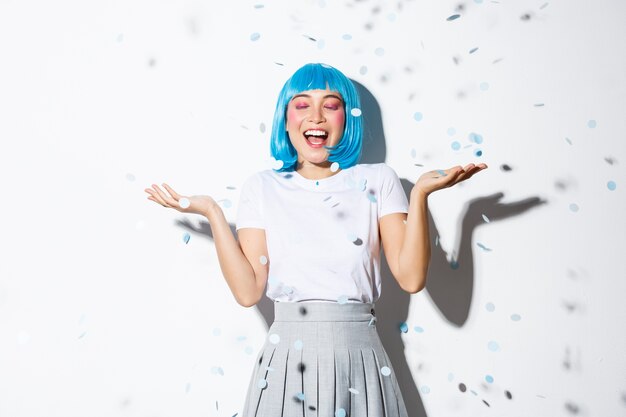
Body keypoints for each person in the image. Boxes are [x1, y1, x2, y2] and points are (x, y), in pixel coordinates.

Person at [145, 63, 487, 417]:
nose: (317, 116)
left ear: (346, 117)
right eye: (303, 104)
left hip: (360, 356)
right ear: (286, 117)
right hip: (288, 362)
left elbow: (411, 277)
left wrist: (420, 196)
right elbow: (248, 292)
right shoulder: (262, 187)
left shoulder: (379, 180)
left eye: (331, 104)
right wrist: (214, 213)